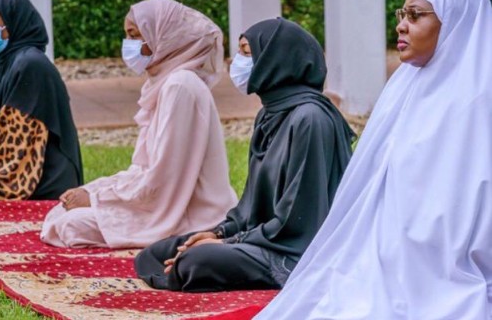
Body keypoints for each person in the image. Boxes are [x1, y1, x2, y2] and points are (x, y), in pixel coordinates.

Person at [255, 0, 492, 319]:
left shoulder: (477, 101)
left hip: (440, 258)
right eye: (402, 14)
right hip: (377, 249)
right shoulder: (404, 85)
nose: (401, 26)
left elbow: (470, 200)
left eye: (416, 15)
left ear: (455, 22)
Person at [134, 18, 355, 292]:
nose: (236, 62)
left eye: (247, 53)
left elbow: (297, 219)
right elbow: (251, 206)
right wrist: (219, 232)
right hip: (263, 237)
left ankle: (193, 266)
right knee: (153, 254)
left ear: (277, 59)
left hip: (295, 248)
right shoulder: (269, 114)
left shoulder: (309, 119)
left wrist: (227, 244)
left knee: (195, 260)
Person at [40, 0, 238, 249]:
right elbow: (142, 168)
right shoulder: (165, 83)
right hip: (165, 202)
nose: (129, 45)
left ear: (163, 36)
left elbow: (163, 177)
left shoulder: (180, 86)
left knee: (69, 226)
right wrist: (93, 191)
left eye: (135, 35)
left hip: (191, 213)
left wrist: (98, 200)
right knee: (62, 214)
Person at [0, 0, 82, 200]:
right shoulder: (11, 62)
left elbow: (16, 156)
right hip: (25, 172)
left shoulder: (30, 65)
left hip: (43, 184)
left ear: (14, 23)